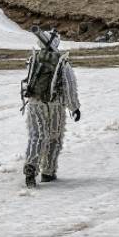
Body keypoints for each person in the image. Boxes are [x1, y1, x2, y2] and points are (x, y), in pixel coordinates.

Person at [22, 30, 81, 188]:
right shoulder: (61, 62)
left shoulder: (34, 58)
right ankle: (48, 171)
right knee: (54, 137)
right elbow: (69, 87)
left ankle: (31, 166)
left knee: (37, 135)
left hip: (35, 103)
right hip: (55, 106)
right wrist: (74, 107)